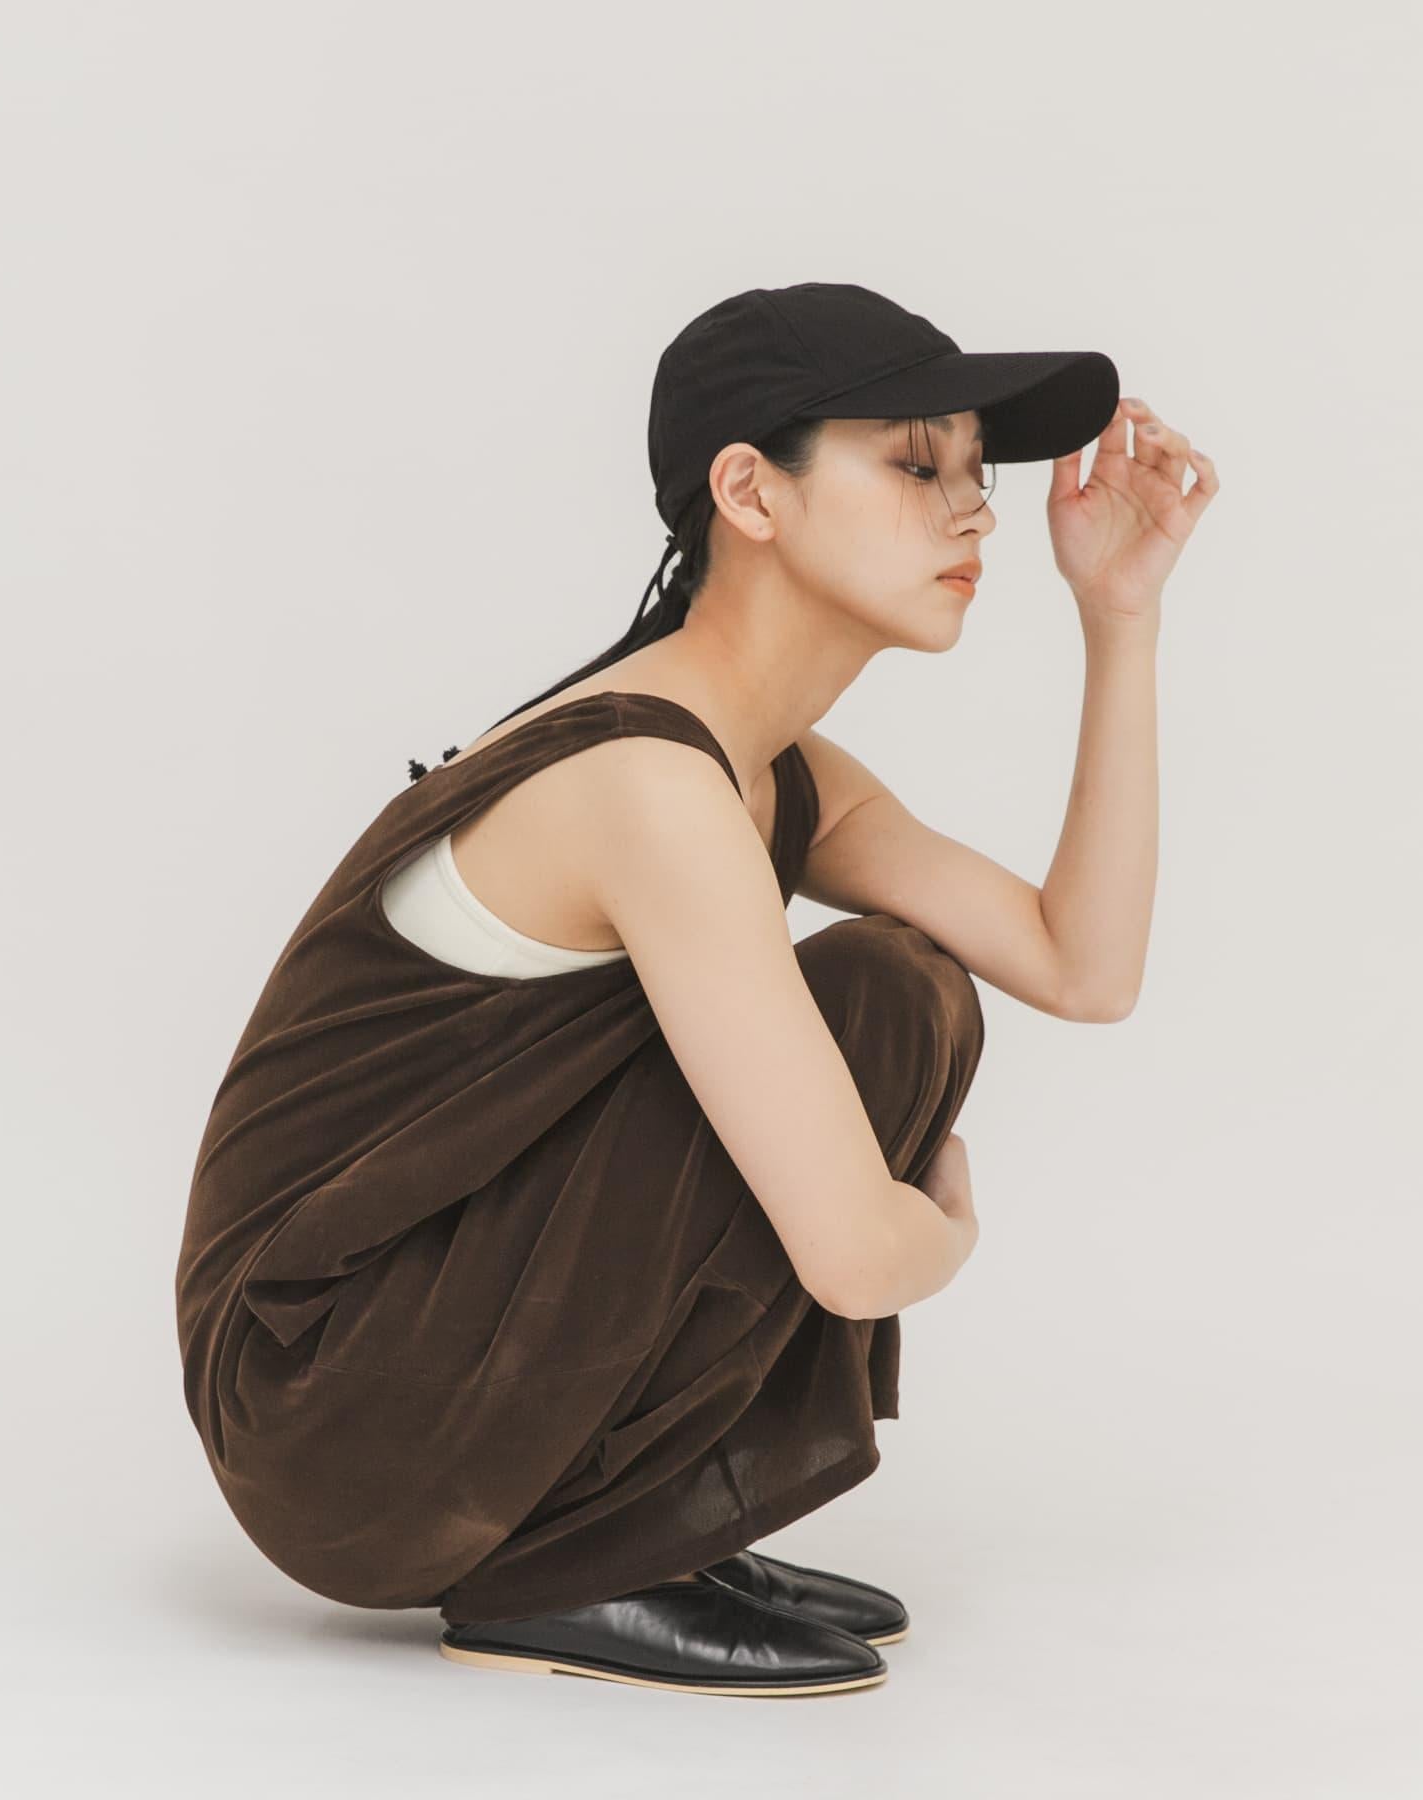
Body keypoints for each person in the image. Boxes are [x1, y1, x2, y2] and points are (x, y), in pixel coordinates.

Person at [175, 282, 1216, 1699]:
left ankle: (628, 1524)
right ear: (749, 492)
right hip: (330, 1418)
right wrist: (942, 1230)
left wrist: (1122, 619)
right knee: (881, 998)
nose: (974, 513)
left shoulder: (769, 769)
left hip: (414, 1368)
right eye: (917, 464)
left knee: (898, 990)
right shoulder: (646, 782)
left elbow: (1082, 968)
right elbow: (855, 1256)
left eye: (979, 471)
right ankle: (568, 1563)